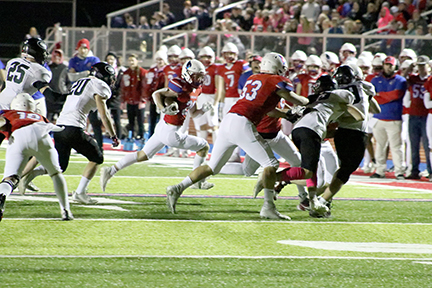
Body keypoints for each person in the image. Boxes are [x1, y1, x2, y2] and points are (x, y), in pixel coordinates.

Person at [165, 53, 309, 219]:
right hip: (243, 123)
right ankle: (268, 207)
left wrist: (287, 115)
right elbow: (294, 98)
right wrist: (312, 101)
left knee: (212, 167)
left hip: (229, 119)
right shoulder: (275, 81)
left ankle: (177, 188)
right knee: (271, 164)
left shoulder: (253, 78)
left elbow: (266, 108)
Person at [254, 74, 364, 216]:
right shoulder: (339, 97)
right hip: (312, 130)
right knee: (307, 172)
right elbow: (359, 117)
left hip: (298, 130)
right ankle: (270, 177)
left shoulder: (311, 99)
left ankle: (312, 199)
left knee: (311, 168)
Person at [100, 60, 214, 192]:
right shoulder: (180, 86)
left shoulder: (197, 89)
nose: (199, 79)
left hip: (163, 128)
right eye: (196, 76)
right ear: (187, 74)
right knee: (204, 147)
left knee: (143, 155)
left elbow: (193, 113)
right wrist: (162, 108)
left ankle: (110, 170)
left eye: (201, 76)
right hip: (171, 132)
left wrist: (203, 110)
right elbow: (157, 94)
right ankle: (197, 180)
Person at [20, 62, 120, 204]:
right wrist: (113, 135)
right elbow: (104, 115)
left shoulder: (81, 81)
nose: (111, 81)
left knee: (60, 165)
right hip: (73, 128)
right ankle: (80, 193)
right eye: (110, 77)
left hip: (60, 127)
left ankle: (30, 175)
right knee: (97, 157)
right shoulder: (100, 85)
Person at [314, 64, 380, 217]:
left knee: (343, 169)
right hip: (356, 133)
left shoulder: (342, 91)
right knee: (345, 171)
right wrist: (369, 97)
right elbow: (376, 110)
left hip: (342, 132)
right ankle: (321, 201)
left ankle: (322, 198)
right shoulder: (365, 87)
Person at [0, 93, 72, 221]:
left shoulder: (9, 113)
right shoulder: (40, 116)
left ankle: (2, 194)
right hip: (43, 133)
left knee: (10, 178)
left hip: (19, 135)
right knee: (56, 173)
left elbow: (2, 122)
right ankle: (65, 210)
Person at [370, 56, 407, 179]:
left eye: (391, 65)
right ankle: (380, 170)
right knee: (380, 146)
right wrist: (385, 97)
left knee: (396, 147)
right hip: (379, 117)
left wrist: (381, 96)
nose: (388, 67)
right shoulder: (375, 80)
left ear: (395, 66)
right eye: (387, 64)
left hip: (394, 118)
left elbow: (396, 95)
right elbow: (373, 97)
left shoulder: (401, 81)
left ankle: (399, 171)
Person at [404, 56, 432, 179]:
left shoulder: (430, 79)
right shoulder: (413, 78)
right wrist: (411, 65)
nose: (421, 68)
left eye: (423, 65)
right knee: (413, 145)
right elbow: (403, 77)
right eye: (419, 65)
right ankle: (414, 170)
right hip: (413, 114)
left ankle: (430, 170)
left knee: (427, 145)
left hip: (426, 115)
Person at [194, 46, 219, 145]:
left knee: (214, 125)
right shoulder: (197, 67)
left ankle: (216, 150)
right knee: (201, 124)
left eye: (208, 57)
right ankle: (201, 147)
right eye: (203, 57)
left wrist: (216, 103)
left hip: (211, 96)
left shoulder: (216, 68)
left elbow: (218, 86)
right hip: (200, 96)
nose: (205, 59)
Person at [121, 54, 147, 141]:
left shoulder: (142, 72)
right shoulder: (126, 73)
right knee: (130, 120)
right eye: (129, 60)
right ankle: (131, 135)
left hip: (139, 101)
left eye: (133, 60)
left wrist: (143, 100)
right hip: (129, 100)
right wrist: (123, 100)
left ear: (137, 61)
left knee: (140, 121)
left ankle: (141, 136)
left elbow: (144, 87)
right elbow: (124, 87)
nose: (131, 62)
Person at [144, 50, 167, 137]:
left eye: (161, 59)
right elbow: (147, 84)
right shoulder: (152, 71)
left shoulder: (166, 70)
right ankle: (151, 137)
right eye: (158, 59)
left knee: (162, 120)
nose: (159, 62)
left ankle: (161, 138)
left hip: (162, 99)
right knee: (152, 120)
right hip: (153, 99)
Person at [47, 49, 70, 122]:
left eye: (59, 56)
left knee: (63, 122)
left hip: (60, 99)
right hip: (49, 99)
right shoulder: (48, 68)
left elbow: (69, 82)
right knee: (47, 122)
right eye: (55, 56)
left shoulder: (65, 68)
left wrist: (65, 92)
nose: (57, 58)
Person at [105, 52, 124, 139]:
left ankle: (118, 137)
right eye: (108, 59)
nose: (110, 61)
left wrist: (116, 94)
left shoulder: (120, 71)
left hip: (116, 98)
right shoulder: (104, 71)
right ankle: (109, 134)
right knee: (105, 118)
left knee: (117, 120)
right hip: (106, 97)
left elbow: (121, 86)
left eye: (112, 59)